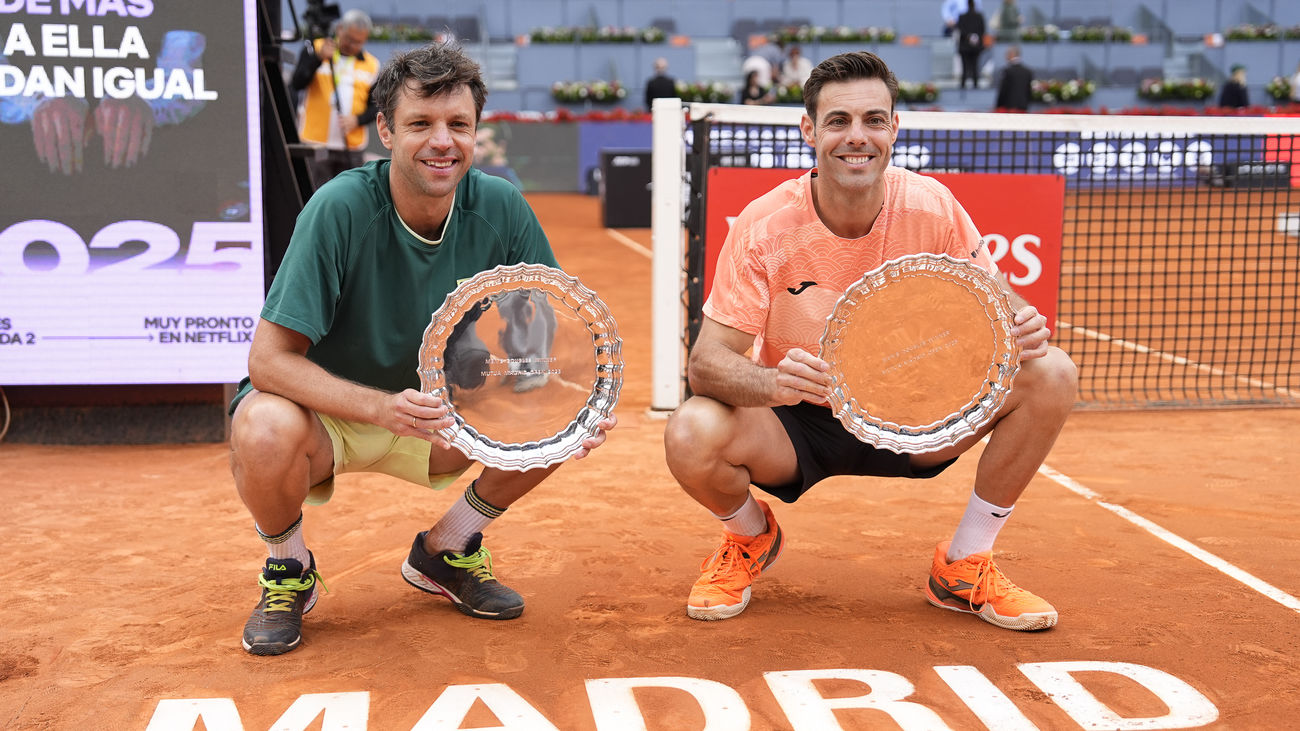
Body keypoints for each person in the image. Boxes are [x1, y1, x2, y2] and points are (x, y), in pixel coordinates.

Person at [662, 51, 1077, 632]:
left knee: (1051, 372)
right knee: (690, 430)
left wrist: (1024, 321)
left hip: (916, 414)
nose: (857, 137)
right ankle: (750, 537)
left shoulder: (931, 206)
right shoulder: (764, 225)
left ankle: (965, 563)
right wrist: (773, 382)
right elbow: (706, 365)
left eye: (873, 120)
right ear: (809, 130)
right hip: (798, 418)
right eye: (838, 121)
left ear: (893, 128)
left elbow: (1002, 302)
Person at [229, 40, 617, 656]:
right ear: (385, 130)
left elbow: (542, 343)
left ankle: (447, 549)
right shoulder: (339, 208)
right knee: (262, 429)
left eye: (458, 125)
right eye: (421, 124)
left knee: (560, 414)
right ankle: (288, 567)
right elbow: (266, 361)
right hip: (327, 417)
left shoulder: (501, 207)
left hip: (436, 416)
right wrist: (380, 408)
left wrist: (571, 405)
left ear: (476, 133)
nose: (443, 141)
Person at [290, 9, 380, 186]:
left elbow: (377, 105)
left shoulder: (372, 64)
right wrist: (317, 59)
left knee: (350, 195)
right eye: (349, 39)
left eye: (358, 42)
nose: (352, 45)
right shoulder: (316, 48)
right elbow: (297, 83)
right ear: (339, 29)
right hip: (315, 143)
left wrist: (358, 120)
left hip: (351, 146)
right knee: (312, 195)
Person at [956, 0, 988, 89]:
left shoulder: (962, 17)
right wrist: (974, 38)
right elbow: (982, 30)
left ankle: (963, 86)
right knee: (975, 66)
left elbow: (961, 30)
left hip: (965, 46)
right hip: (974, 46)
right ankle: (975, 86)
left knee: (965, 67)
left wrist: (969, 37)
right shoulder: (979, 16)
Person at [995, 45, 1033, 111]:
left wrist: (998, 106)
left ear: (1011, 54)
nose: (1005, 56)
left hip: (1009, 107)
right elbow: (1029, 91)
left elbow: (1003, 90)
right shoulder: (1027, 71)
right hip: (1023, 107)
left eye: (1006, 54)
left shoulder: (1007, 71)